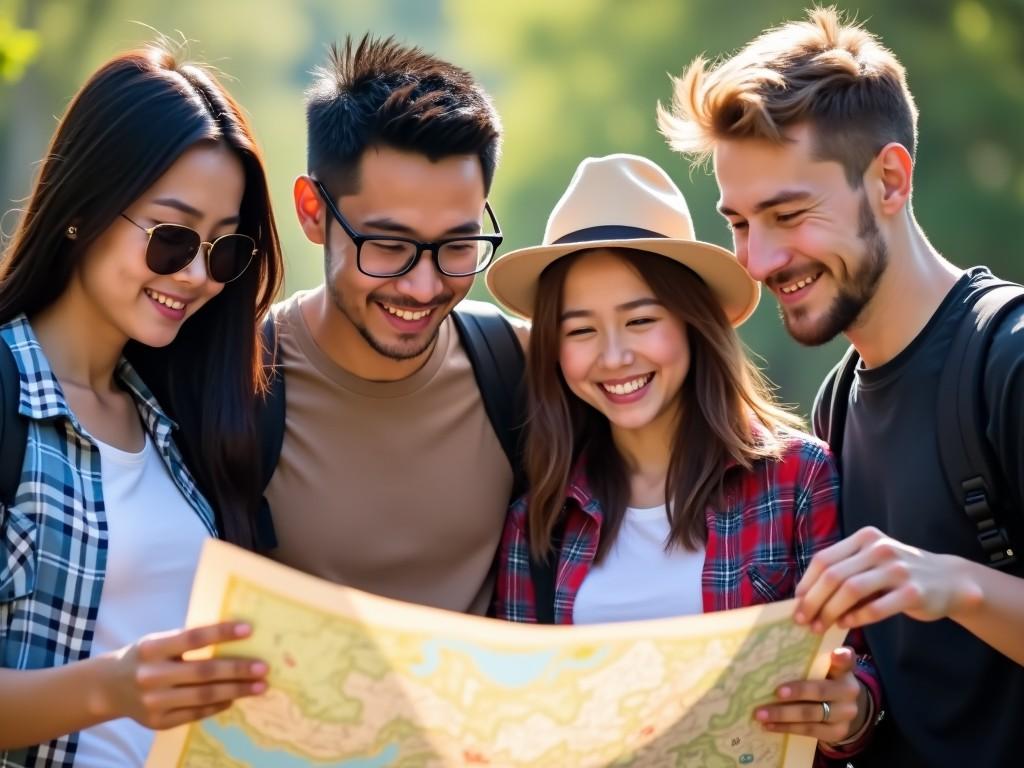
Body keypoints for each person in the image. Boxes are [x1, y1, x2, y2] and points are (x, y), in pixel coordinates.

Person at [658, 7, 1024, 766]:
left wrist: (956, 584)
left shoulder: (1008, 361)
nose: (757, 261)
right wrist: (849, 713)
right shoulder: (835, 405)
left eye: (788, 214)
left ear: (889, 180)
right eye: (739, 223)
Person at [488, 153, 880, 761]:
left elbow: (864, 682)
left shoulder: (799, 480)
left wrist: (848, 713)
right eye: (580, 330)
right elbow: (514, 728)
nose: (614, 356)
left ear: (694, 323)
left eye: (641, 319)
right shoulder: (538, 523)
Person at [0, 44, 283, 766]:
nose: (196, 276)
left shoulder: (175, 417)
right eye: (171, 237)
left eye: (224, 252)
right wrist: (111, 690)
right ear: (85, 208)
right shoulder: (8, 395)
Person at [261, 35, 524, 615]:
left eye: (458, 245)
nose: (423, 287)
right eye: (387, 245)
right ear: (312, 211)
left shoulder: (519, 367)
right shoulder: (237, 382)